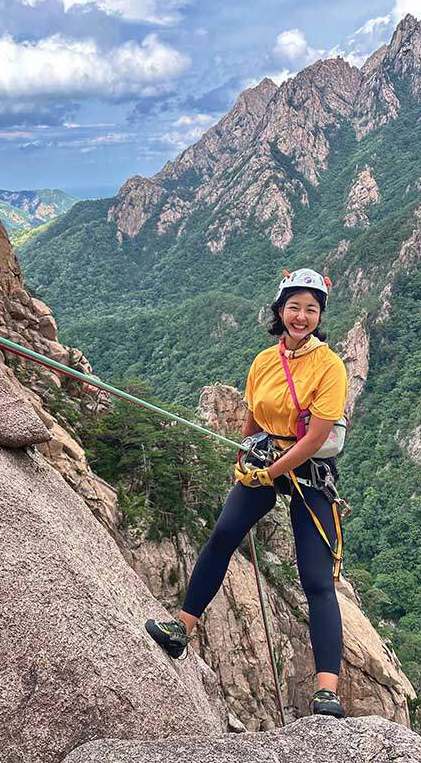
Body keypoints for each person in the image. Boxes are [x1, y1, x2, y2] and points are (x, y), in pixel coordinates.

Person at [145, 267, 348, 718]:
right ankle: (181, 629)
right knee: (223, 535)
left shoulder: (329, 366)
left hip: (307, 468)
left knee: (316, 578)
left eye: (310, 309)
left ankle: (326, 691)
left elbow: (316, 437)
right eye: (293, 307)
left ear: (320, 316)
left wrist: (271, 471)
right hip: (265, 458)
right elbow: (253, 416)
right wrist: (244, 459)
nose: (301, 316)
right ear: (280, 311)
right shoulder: (263, 361)